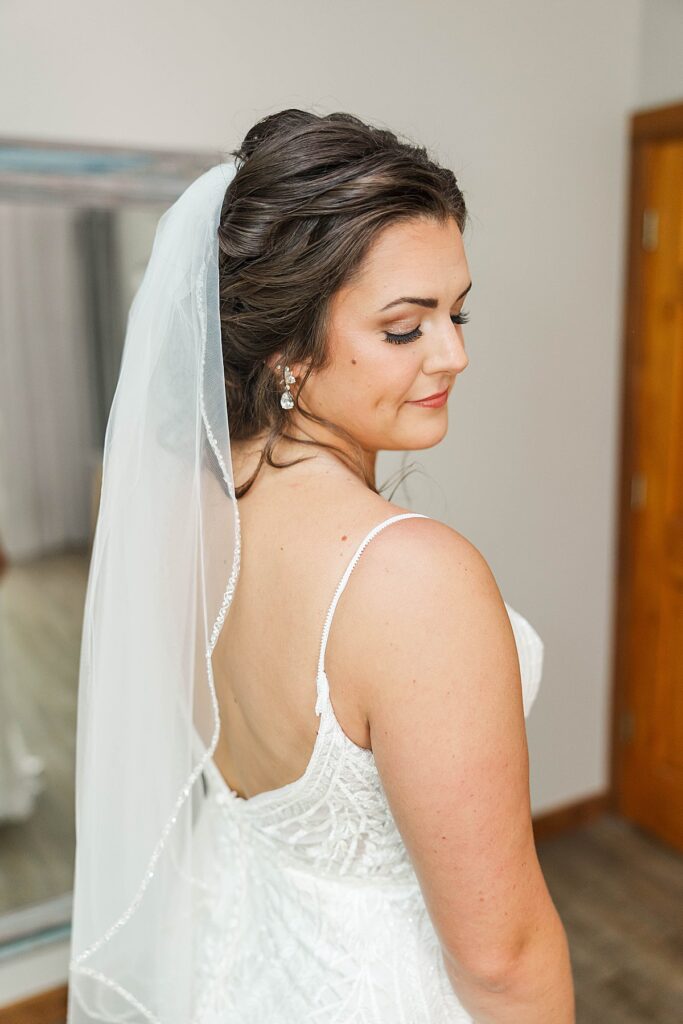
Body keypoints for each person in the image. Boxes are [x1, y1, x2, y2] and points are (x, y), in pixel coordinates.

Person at [67, 109, 575, 1023]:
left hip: (241, 961)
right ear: (289, 348)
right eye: (403, 328)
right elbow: (500, 960)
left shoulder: (175, 512)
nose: (454, 353)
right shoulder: (413, 578)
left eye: (455, 312)